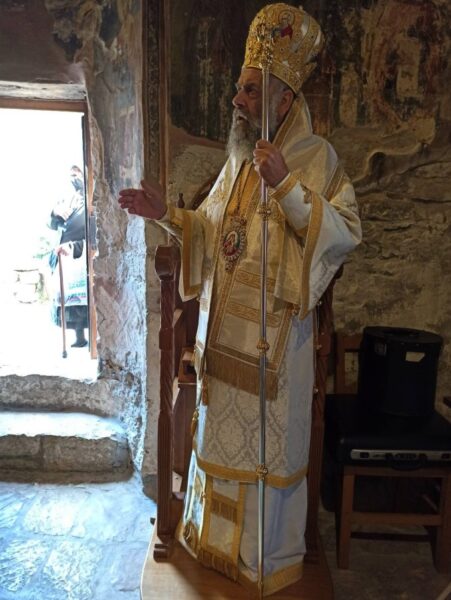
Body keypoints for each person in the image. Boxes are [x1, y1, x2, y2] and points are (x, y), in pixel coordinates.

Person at [119, 4, 361, 595]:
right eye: (239, 88)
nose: (237, 100)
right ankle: (212, 546)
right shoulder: (237, 162)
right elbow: (210, 232)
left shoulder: (316, 159)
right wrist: (167, 216)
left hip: (274, 353)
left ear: (283, 98)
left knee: (265, 452)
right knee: (219, 440)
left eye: (251, 90)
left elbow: (344, 234)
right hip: (222, 345)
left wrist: (286, 185)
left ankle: (262, 559)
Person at [48, 165, 88, 348]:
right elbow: (52, 224)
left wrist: (74, 247)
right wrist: (56, 211)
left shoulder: (90, 199)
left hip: (77, 252)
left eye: (76, 175)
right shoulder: (66, 198)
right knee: (66, 298)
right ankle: (78, 336)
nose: (74, 179)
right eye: (71, 176)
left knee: (81, 300)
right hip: (60, 252)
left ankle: (85, 336)